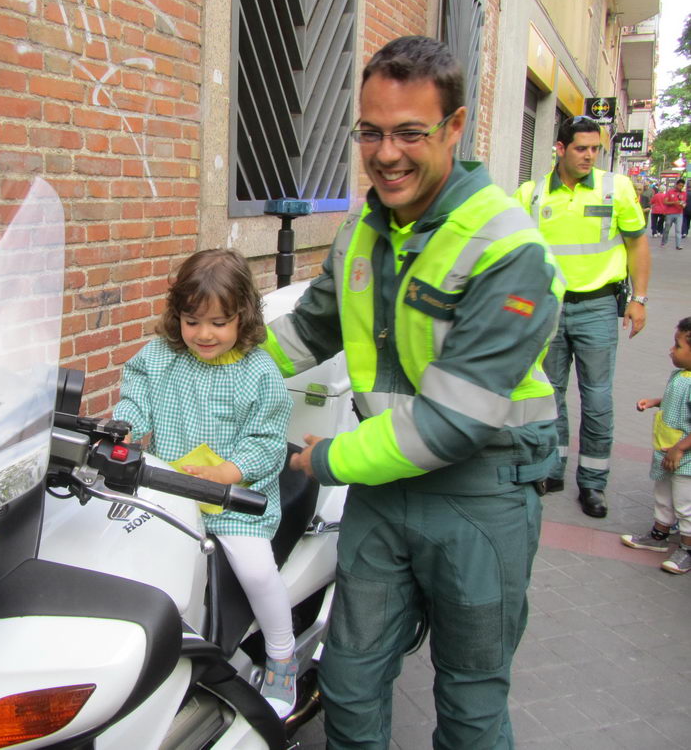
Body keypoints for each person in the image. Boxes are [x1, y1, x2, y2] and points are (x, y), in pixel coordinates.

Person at [264, 36, 563, 748]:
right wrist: (196, 364)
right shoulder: (361, 230)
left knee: (468, 700)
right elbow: (307, 333)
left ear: (454, 128)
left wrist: (326, 460)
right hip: (382, 492)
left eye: (409, 133)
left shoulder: (506, 247)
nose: (385, 153)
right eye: (370, 132)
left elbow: (454, 422)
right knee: (348, 681)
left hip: (478, 493)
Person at [112, 248, 297, 716]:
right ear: (177, 317)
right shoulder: (161, 356)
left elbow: (269, 440)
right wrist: (126, 427)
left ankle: (282, 654)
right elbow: (137, 395)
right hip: (171, 489)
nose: (204, 334)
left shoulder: (258, 372)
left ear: (243, 317)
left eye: (218, 322)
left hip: (235, 500)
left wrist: (228, 473)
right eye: (192, 321)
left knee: (255, 570)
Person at [515, 116, 650, 518]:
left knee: (597, 399)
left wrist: (639, 298)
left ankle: (592, 484)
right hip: (548, 309)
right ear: (560, 149)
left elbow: (638, 244)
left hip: (599, 307)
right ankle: (551, 469)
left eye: (595, 149)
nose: (590, 155)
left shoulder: (616, 188)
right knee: (548, 393)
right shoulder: (531, 194)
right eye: (581, 148)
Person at [621, 316, 691, 574]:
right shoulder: (681, 375)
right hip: (666, 451)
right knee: (663, 495)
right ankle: (659, 535)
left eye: (678, 345)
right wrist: (655, 401)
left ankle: (687, 548)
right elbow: (677, 401)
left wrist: (681, 448)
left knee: (685, 504)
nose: (671, 350)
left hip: (684, 458)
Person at [661, 179, 686, 249]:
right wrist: (674, 202)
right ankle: (664, 242)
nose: (681, 187)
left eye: (682, 186)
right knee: (667, 229)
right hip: (670, 213)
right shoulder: (670, 192)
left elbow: (684, 203)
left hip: (679, 213)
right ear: (676, 185)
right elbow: (665, 202)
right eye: (680, 185)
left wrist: (683, 205)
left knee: (678, 230)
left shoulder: (683, 193)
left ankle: (678, 245)